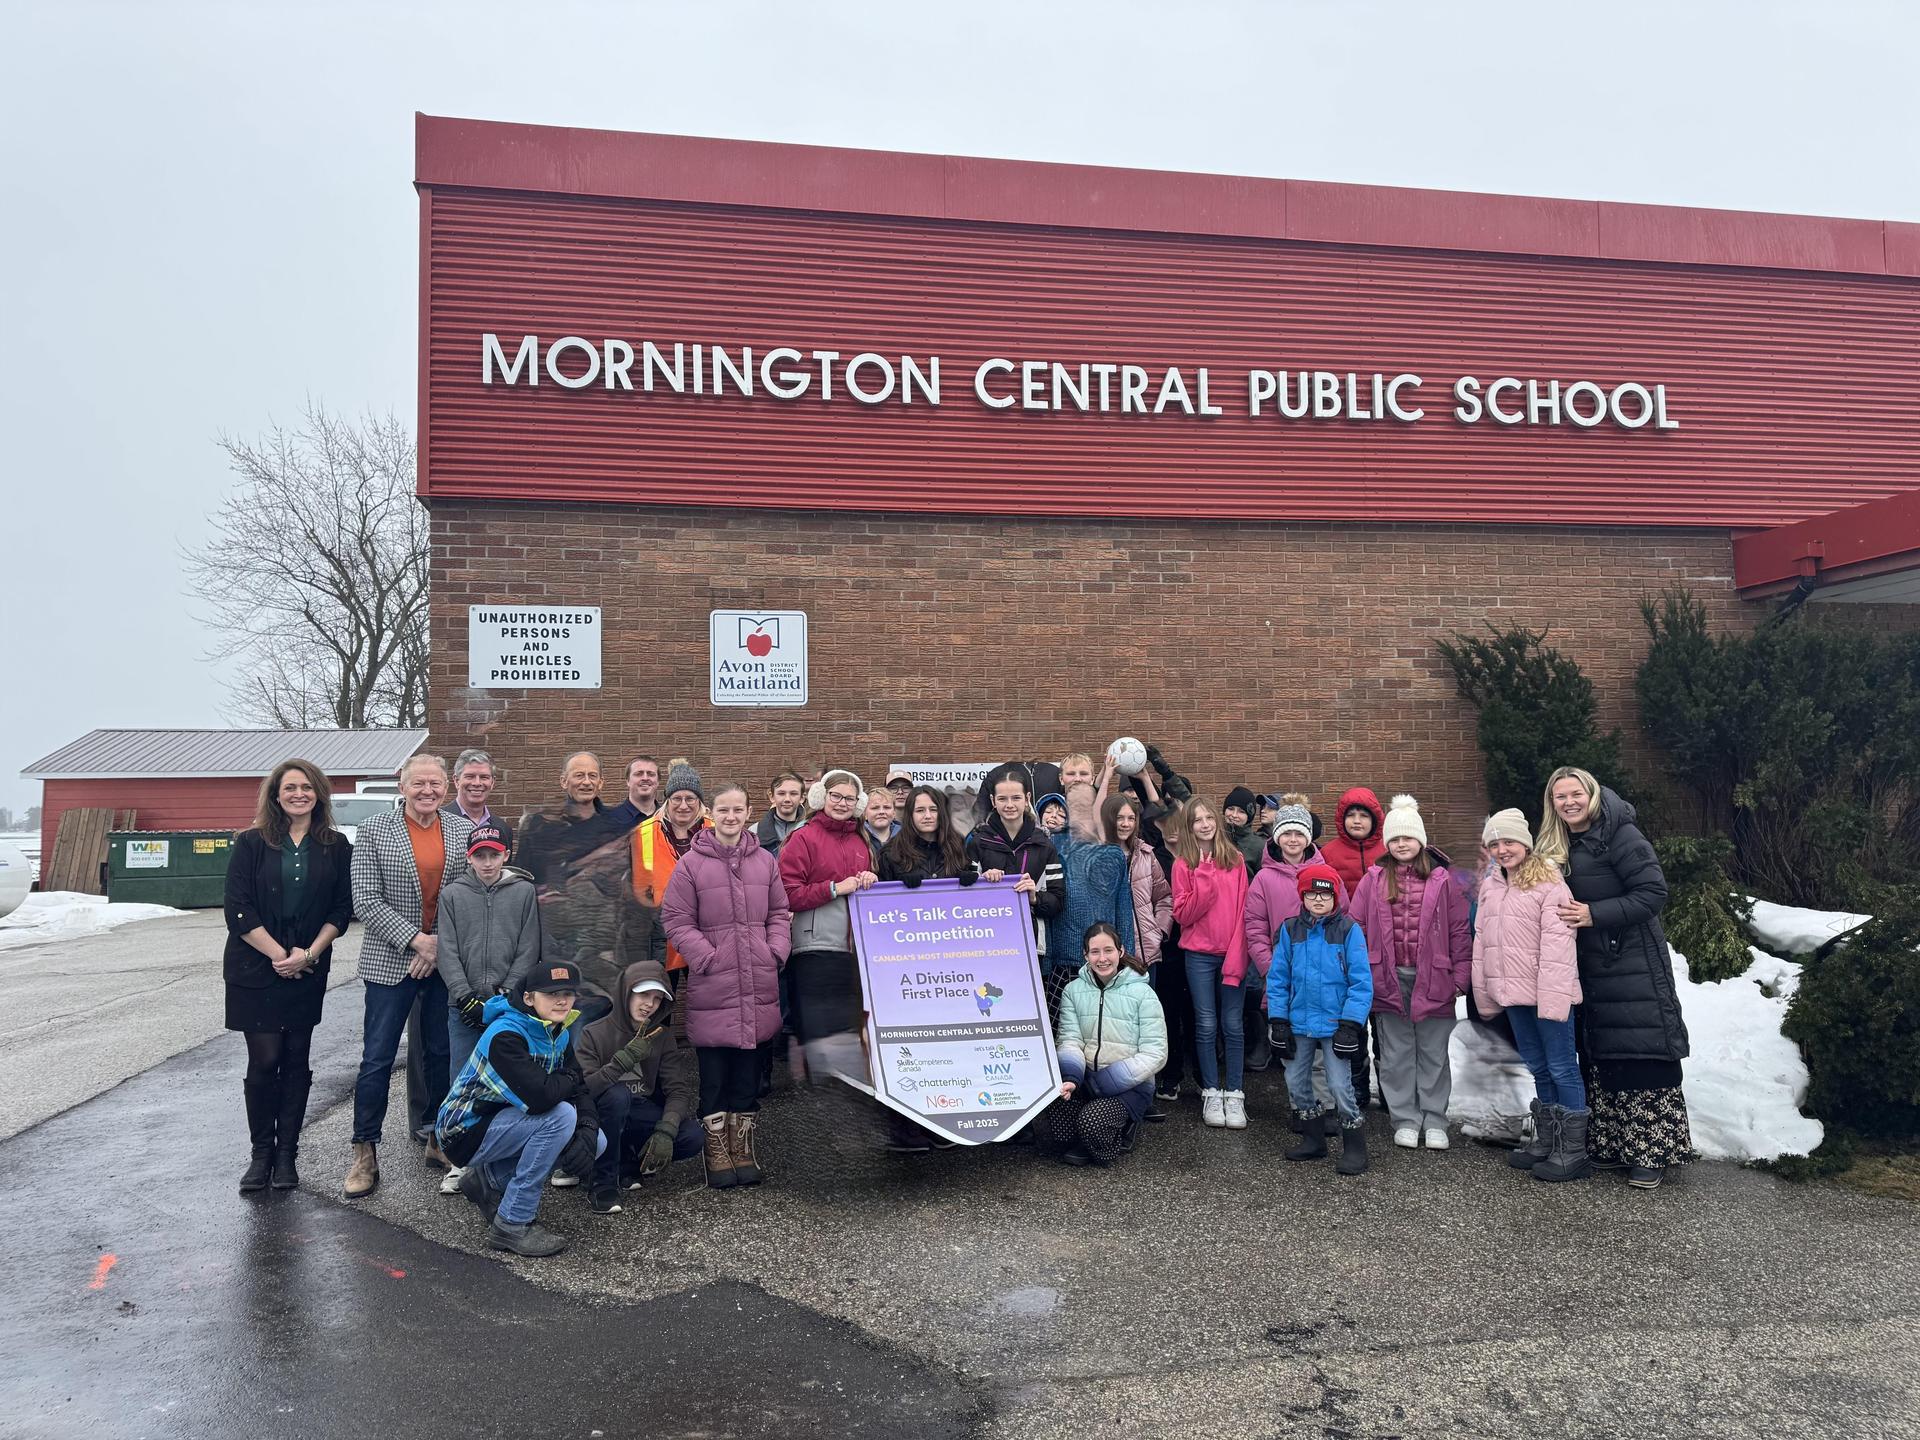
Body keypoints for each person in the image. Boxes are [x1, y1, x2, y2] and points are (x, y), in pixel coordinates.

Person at [1538, 767, 1692, 1188]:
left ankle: (1650, 1151)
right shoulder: (1556, 843)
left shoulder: (1620, 834)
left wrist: (1593, 914)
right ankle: (1609, 1144)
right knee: (1601, 1050)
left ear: (1592, 795)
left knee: (1639, 1046)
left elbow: (1653, 893)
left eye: (1576, 793)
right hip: (1586, 962)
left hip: (1630, 959)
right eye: (1559, 796)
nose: (1568, 802)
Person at [225, 759, 353, 1194]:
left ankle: (286, 1157)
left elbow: (340, 909)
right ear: (275, 795)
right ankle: (261, 1153)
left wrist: (309, 954)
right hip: (255, 967)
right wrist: (280, 954)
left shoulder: (336, 846)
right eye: (289, 787)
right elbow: (237, 909)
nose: (298, 794)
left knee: (297, 1059)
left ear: (319, 793)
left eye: (306, 787)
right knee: (264, 1061)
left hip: (308, 968)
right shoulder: (250, 843)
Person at [346, 754, 471, 1199]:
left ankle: (439, 1138)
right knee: (377, 1057)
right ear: (402, 785)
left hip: (442, 961)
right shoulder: (375, 830)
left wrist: (436, 945)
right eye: (419, 783)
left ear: (446, 787)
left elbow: (464, 895)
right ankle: (365, 1149)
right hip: (389, 959)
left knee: (441, 1053)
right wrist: (415, 941)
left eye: (435, 783)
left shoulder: (460, 830)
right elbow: (364, 896)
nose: (427, 791)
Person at [662, 782, 792, 1189]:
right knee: (715, 1075)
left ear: (748, 811)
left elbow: (779, 912)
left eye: (738, 810)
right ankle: (716, 1150)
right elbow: (676, 920)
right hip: (714, 985)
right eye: (723, 810)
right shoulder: (691, 864)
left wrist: (774, 952)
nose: (731, 817)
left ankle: (743, 1147)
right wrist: (706, 956)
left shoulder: (764, 862)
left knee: (748, 1075)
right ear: (710, 813)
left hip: (758, 982)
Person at [437, 960, 608, 1257]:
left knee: (597, 1141)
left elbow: (578, 1088)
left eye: (567, 992)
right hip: (463, 1130)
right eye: (551, 993)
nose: (562, 1000)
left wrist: (589, 1128)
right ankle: (513, 1223)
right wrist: (568, 1078)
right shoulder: (505, 1034)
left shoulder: (558, 1031)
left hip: (503, 1120)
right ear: (528, 998)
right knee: (561, 1117)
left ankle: (487, 1182)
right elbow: (541, 1098)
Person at [1472, 808, 1588, 1183]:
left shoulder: (1549, 883)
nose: (1502, 849)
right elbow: (1482, 942)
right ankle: (1547, 1141)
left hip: (1546, 994)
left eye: (1508, 842)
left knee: (1561, 1067)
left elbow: (1559, 945)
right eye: (1495, 843)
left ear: (1525, 843)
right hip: (1513, 993)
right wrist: (1486, 990)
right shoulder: (1491, 885)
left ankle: (1572, 1152)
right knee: (1538, 1067)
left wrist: (1553, 1000)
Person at [1349, 796, 1471, 1151]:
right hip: (1386, 978)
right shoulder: (1373, 880)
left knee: (1433, 1053)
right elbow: (1356, 928)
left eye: (1408, 837)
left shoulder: (1443, 880)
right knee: (1396, 1053)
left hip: (1434, 979)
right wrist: (1362, 974)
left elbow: (1460, 931)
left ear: (1420, 840)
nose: (1402, 844)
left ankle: (1434, 1119)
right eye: (1396, 838)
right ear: (1387, 843)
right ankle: (1404, 1117)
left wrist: (1460, 977)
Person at [1268, 864, 1373, 1174]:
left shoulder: (1348, 930)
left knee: (1340, 1085)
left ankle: (1355, 1145)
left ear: (1335, 897)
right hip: (1299, 1022)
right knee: (1295, 1082)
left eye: (1324, 894)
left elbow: (1361, 982)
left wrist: (1350, 1024)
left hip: (1335, 1024)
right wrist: (1278, 1020)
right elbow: (1277, 979)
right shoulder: (1290, 930)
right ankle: (1314, 1140)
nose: (1317, 900)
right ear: (1303, 896)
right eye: (1311, 894)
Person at [576, 960, 702, 1212]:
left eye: (657, 999)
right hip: (601, 1113)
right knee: (617, 1096)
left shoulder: (662, 1036)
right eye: (643, 994)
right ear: (626, 992)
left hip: (639, 1109)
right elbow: (584, 1089)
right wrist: (622, 1062)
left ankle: (630, 1160)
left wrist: (666, 1130)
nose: (649, 1004)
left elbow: (677, 1089)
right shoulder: (593, 1032)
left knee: (692, 1136)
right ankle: (602, 1181)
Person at [1243, 794, 1346, 1103]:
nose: (1292, 839)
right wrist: (1270, 966)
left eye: (1298, 833)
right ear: (1277, 836)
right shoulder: (1264, 878)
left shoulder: (1326, 873)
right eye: (1286, 832)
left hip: (1324, 974)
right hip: (1284, 974)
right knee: (1295, 1048)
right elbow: (1255, 927)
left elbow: (1344, 920)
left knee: (1321, 1046)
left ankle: (1327, 1106)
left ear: (1308, 837)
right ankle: (1302, 1109)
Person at [777, 769, 878, 1084]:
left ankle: (842, 1098)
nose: (842, 803)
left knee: (846, 1030)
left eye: (849, 798)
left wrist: (871, 880)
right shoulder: (803, 837)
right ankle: (819, 1102)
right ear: (822, 797)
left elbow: (863, 889)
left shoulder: (863, 840)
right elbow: (786, 893)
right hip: (813, 947)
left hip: (852, 949)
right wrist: (835, 888)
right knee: (818, 1031)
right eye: (836, 796)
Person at [1043, 923, 1168, 1166]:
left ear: (1120, 952)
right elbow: (1070, 1039)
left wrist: (1108, 1081)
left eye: (1108, 950)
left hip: (1128, 1084)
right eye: (1095, 952)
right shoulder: (1072, 990)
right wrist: (1071, 1077)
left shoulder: (1143, 994)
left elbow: (1156, 1053)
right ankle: (1089, 1131)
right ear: (1085, 955)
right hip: (1088, 1078)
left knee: (1092, 1123)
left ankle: (1124, 1126)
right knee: (1057, 1111)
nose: (1102, 959)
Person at [437, 821, 541, 1097]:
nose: (487, 863)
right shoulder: (452, 895)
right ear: (468, 857)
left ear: (506, 855)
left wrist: (506, 992)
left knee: (505, 1077)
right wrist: (463, 996)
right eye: (480, 856)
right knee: (462, 1075)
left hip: (508, 1005)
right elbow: (446, 949)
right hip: (463, 1006)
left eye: (494, 855)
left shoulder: (524, 892)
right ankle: (457, 1136)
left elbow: (529, 946)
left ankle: (497, 1136)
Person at [1172, 797, 1252, 1129]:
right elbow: (1184, 915)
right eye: (1197, 820)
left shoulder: (1235, 859)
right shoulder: (1183, 864)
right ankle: (1210, 1091)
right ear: (1189, 828)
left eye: (1209, 818)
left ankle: (1234, 1093)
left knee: (1232, 1025)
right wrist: (1203, 875)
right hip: (1199, 956)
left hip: (1233, 952)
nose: (1205, 824)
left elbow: (1245, 910)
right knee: (1205, 1025)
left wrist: (1238, 952)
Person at [964, 769, 1067, 1005]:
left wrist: (1034, 898)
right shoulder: (977, 842)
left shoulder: (1044, 845)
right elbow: (963, 898)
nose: (1009, 805)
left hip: (1031, 946)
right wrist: (981, 884)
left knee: (1028, 1009)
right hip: (986, 947)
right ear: (992, 801)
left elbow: (1058, 900)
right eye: (1002, 799)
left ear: (1027, 798)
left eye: (1016, 798)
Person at [1320, 786, 1386, 1107]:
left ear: (1376, 819)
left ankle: (1388, 1085)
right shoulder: (1329, 853)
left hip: (1384, 951)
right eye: (1351, 815)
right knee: (1353, 1022)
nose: (1357, 821)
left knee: (1384, 1024)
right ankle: (1357, 1084)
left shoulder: (1390, 849)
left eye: (1364, 815)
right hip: (1344, 950)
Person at [1047, 785, 1136, 986]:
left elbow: (1123, 909)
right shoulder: (1053, 848)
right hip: (1064, 961)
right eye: (1074, 805)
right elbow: (1049, 905)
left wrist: (1127, 960)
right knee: (1065, 1018)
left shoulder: (1112, 853)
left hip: (1105, 961)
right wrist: (1048, 962)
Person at [631, 765, 714, 979]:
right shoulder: (643, 833)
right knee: (660, 1004)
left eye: (690, 798)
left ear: (700, 801)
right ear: (667, 800)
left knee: (708, 1002)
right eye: (677, 798)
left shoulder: (716, 831)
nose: (683, 805)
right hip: (661, 936)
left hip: (706, 934)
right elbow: (635, 891)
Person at [517, 751, 614, 889]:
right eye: (579, 775)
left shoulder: (616, 826)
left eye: (592, 775)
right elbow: (521, 878)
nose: (586, 782)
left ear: (600, 783)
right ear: (564, 781)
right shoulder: (537, 826)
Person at [878, 785, 976, 886]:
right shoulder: (891, 853)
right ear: (910, 815)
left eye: (933, 809)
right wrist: (900, 885)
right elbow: (880, 895)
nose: (928, 816)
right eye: (920, 810)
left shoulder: (957, 847)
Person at [755, 771, 808, 857]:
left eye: (793, 794)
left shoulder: (811, 829)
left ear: (802, 798)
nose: (787, 799)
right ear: (771, 796)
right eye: (781, 793)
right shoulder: (755, 831)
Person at [447, 748, 502, 829]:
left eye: (484, 777)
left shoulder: (502, 828)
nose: (477, 783)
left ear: (492, 782)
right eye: (470, 776)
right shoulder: (438, 822)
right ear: (457, 781)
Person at [606, 754, 664, 831]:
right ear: (628, 781)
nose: (645, 778)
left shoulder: (668, 819)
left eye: (651, 774)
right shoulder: (610, 820)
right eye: (639, 774)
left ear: (658, 781)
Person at [1222, 786, 1264, 876]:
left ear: (1249, 816)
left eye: (1241, 811)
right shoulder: (1215, 837)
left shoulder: (1259, 846)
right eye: (1231, 808)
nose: (1234, 815)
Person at [862, 785, 901, 863]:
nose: (881, 812)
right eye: (875, 808)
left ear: (894, 813)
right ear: (865, 814)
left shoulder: (906, 837)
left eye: (887, 807)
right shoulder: (858, 837)